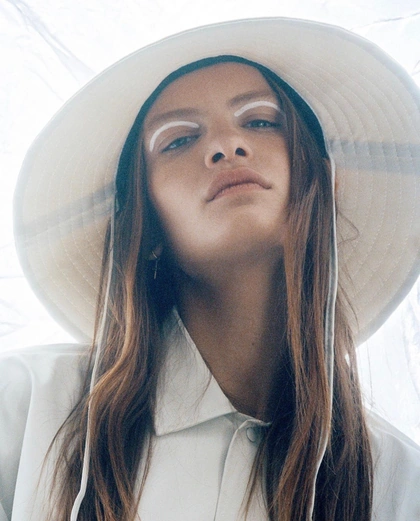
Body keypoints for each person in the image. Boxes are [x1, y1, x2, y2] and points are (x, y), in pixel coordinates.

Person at [1, 17, 420, 521]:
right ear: (145, 227)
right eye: (178, 140)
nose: (226, 145)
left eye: (260, 121)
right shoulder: (26, 406)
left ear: (322, 184)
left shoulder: (397, 480)